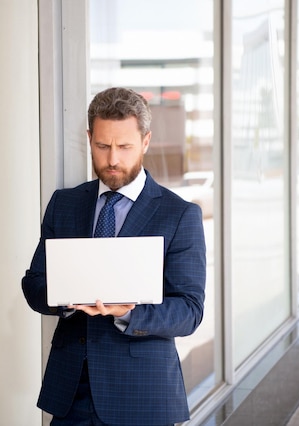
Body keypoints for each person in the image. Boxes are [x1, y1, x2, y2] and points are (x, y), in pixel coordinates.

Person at [22, 87, 206, 425]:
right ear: (89, 138)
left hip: (141, 395)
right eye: (103, 146)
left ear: (145, 142)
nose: (112, 160)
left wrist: (128, 312)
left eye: (125, 147)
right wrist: (66, 297)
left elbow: (189, 311)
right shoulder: (64, 204)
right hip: (70, 394)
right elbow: (33, 284)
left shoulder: (179, 215)